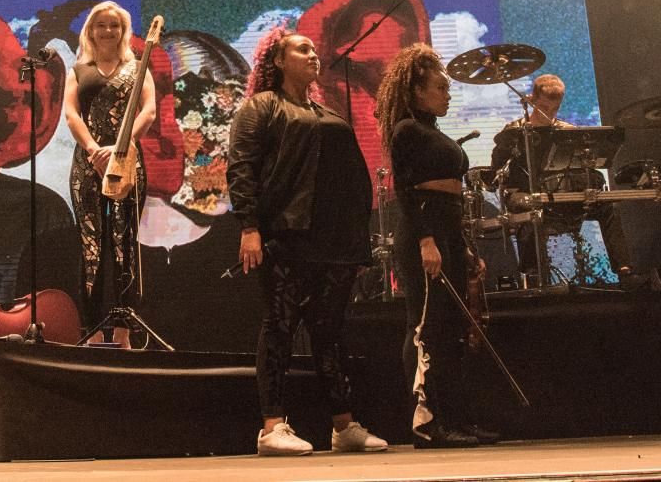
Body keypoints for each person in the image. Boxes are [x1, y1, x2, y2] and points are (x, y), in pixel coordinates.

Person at [227, 27, 388, 456]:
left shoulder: (324, 111)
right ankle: (271, 428)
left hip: (335, 239)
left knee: (329, 331)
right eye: (302, 49)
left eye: (314, 49)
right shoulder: (261, 106)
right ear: (278, 61)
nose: (313, 54)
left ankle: (344, 426)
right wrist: (249, 227)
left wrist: (357, 240)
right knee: (279, 326)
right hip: (286, 234)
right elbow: (241, 166)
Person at [376, 43, 497, 448]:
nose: (448, 95)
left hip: (446, 231)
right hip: (423, 232)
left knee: (452, 330)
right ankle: (427, 423)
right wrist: (427, 240)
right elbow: (406, 190)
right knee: (426, 326)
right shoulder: (406, 130)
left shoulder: (432, 131)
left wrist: (462, 245)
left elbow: (450, 201)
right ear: (417, 91)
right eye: (440, 88)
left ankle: (456, 418)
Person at [63, 1, 156, 347]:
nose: (107, 31)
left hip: (126, 163)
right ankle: (90, 330)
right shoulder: (78, 70)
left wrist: (119, 146)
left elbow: (149, 110)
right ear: (90, 30)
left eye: (114, 25)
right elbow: (71, 115)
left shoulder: (138, 68)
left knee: (124, 244)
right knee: (90, 245)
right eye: (101, 25)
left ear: (123, 31)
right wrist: (93, 149)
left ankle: (122, 332)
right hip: (88, 165)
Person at [490, 74, 632, 284]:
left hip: (562, 196)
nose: (549, 114)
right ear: (532, 100)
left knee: (608, 205)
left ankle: (624, 272)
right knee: (528, 208)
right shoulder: (513, 133)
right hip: (527, 195)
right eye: (544, 108)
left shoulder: (567, 132)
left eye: (554, 109)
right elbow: (496, 171)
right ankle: (534, 276)